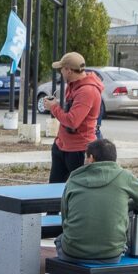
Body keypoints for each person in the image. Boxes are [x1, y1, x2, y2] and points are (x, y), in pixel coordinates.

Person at [56, 139, 138, 263]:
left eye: (86, 157)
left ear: (91, 158)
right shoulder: (124, 177)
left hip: (73, 252)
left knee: (60, 239)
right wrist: (127, 205)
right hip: (111, 254)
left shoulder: (73, 179)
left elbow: (65, 217)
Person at [42, 52, 103, 183]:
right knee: (54, 188)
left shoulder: (87, 91)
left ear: (68, 70)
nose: (60, 72)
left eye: (61, 69)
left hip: (79, 149)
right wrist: (57, 105)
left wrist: (53, 107)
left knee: (80, 188)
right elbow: (71, 111)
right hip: (62, 145)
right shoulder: (73, 86)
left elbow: (72, 121)